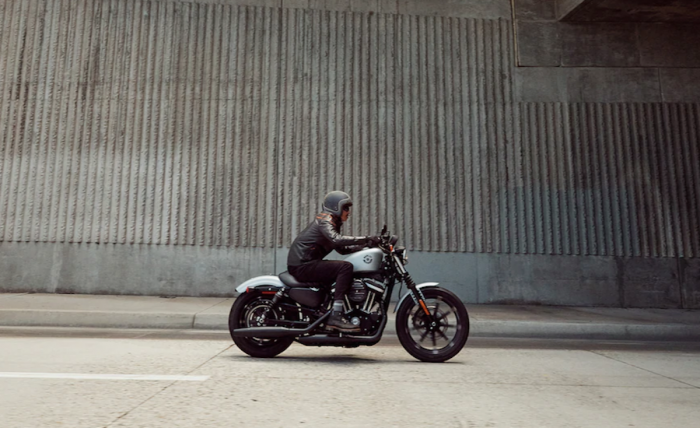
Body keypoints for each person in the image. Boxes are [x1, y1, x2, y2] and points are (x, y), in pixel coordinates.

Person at [287, 191, 380, 333]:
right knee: (345, 267)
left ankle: (326, 311)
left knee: (341, 269)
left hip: (307, 264)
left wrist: (368, 245)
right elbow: (337, 239)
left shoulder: (332, 222)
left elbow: (342, 249)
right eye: (346, 208)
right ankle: (336, 316)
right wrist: (366, 238)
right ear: (336, 207)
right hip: (302, 265)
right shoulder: (325, 219)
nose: (348, 212)